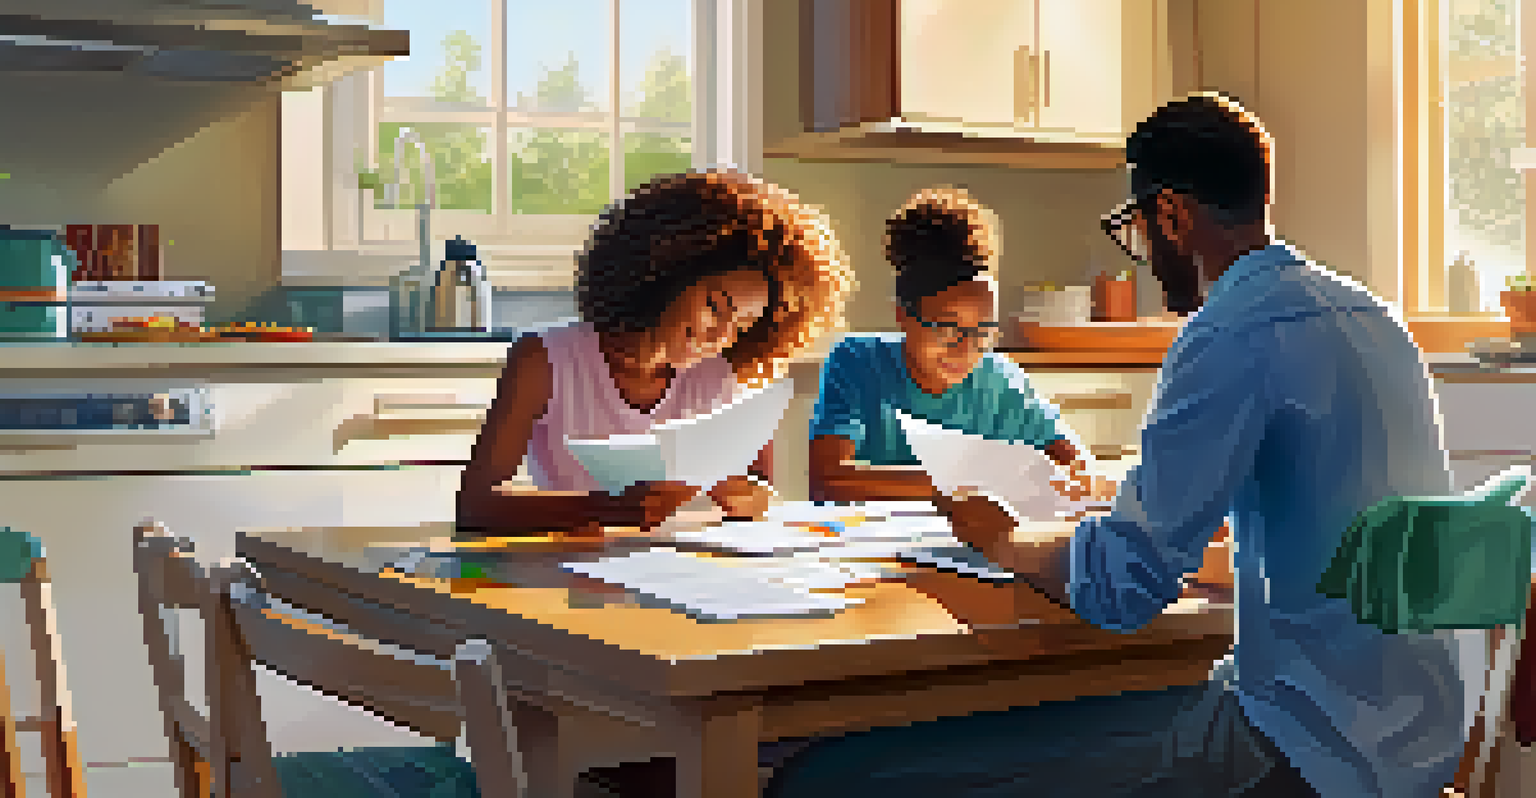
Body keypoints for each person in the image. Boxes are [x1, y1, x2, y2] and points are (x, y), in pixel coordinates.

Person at [769, 92, 1471, 798]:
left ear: (1170, 214)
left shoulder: (1228, 333)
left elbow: (1123, 585)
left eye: (1135, 229)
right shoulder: (1369, 315)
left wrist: (1006, 540)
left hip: (1300, 748)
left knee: (832, 775)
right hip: (1413, 743)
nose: (1141, 255)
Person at [457, 169, 852, 534]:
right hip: (573, 573)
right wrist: (607, 509)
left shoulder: (730, 375)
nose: (722, 336)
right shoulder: (544, 359)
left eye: (743, 326)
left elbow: (759, 498)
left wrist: (751, 500)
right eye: (716, 308)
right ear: (663, 276)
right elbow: (475, 506)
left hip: (689, 573)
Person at [807, 186, 1103, 504]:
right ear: (902, 316)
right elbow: (829, 477)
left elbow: (1078, 466)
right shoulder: (857, 361)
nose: (966, 349)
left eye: (983, 331)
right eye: (948, 329)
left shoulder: (1000, 379)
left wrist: (1075, 479)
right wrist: (973, 482)